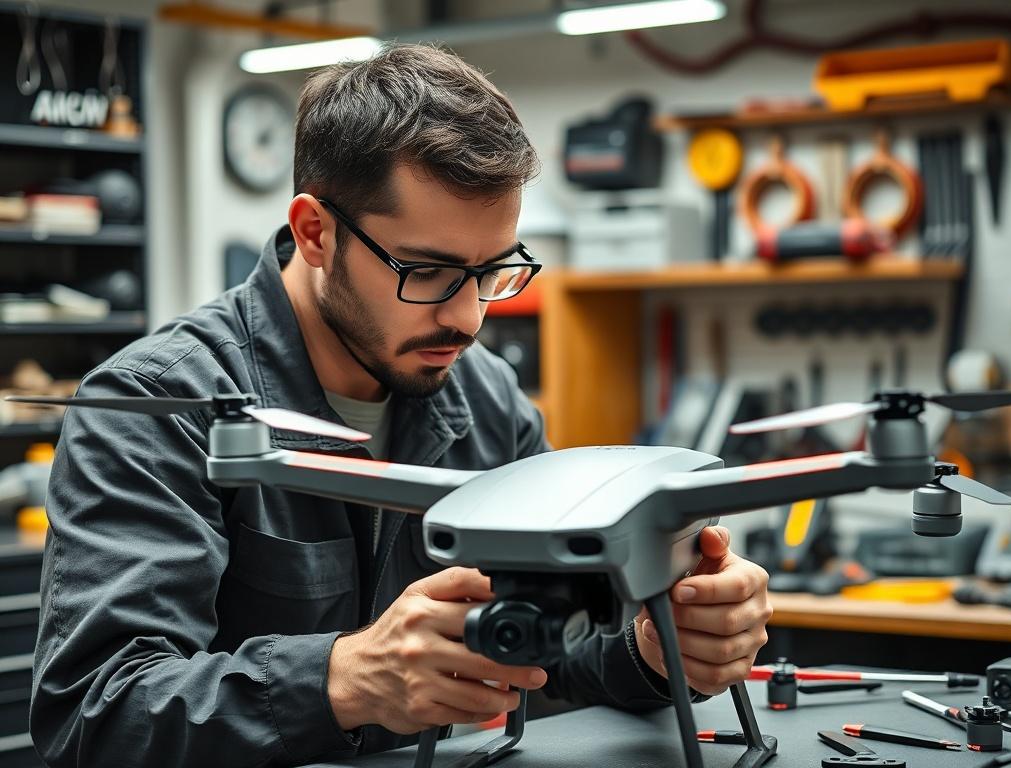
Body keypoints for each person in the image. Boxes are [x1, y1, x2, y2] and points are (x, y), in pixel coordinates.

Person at [30, 44, 771, 767]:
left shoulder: (484, 400)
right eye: (428, 271)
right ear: (316, 232)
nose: (470, 318)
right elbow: (97, 713)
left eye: (493, 271)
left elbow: (554, 655)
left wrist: (656, 647)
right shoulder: (152, 407)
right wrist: (343, 680)